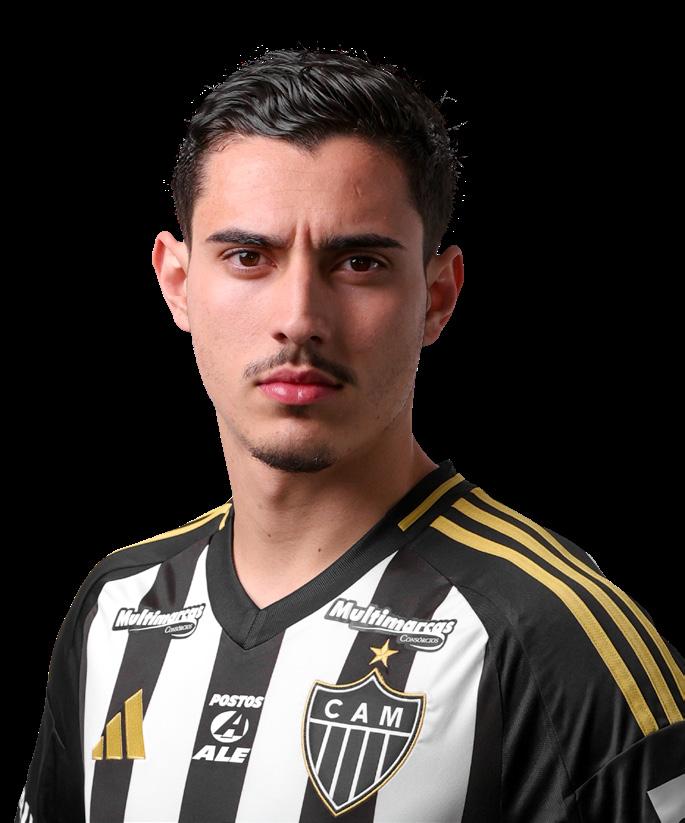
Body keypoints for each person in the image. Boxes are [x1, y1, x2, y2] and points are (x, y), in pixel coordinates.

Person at [16, 46, 684, 823]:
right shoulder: (117, 608)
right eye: (247, 256)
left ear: (437, 297)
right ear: (178, 282)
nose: (299, 317)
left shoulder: (550, 636)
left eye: (358, 262)